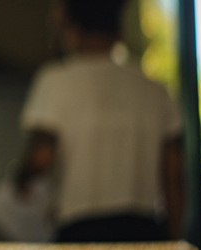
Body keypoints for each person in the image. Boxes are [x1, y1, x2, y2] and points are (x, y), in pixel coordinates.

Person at [16, 0, 184, 242]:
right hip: (144, 230)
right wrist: (173, 238)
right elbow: (174, 172)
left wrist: (22, 178)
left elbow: (41, 156)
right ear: (119, 31)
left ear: (70, 28)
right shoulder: (154, 88)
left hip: (81, 231)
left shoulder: (56, 81)